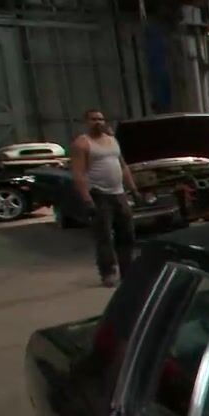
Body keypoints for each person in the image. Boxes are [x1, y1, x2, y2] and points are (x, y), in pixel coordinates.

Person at [71, 109, 138, 288]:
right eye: (93, 119)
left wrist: (133, 189)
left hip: (119, 193)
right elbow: (78, 174)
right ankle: (108, 272)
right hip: (99, 194)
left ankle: (127, 271)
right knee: (104, 237)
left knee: (127, 234)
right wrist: (87, 199)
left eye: (100, 119)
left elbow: (123, 166)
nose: (98, 122)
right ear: (86, 122)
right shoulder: (82, 143)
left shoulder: (112, 140)